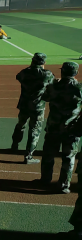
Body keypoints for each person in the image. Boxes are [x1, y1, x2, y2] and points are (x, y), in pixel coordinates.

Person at [39, 62, 82, 194]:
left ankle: (45, 179)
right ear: (76, 73)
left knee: (48, 154)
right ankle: (64, 184)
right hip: (72, 127)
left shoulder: (54, 86)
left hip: (54, 126)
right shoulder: (79, 88)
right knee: (69, 157)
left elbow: (44, 97)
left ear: (62, 71)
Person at [11, 53, 54, 164]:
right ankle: (28, 156)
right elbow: (52, 84)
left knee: (20, 124)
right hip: (38, 106)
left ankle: (14, 145)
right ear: (44, 62)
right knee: (35, 130)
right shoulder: (47, 74)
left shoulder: (25, 72)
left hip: (24, 104)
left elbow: (18, 77)